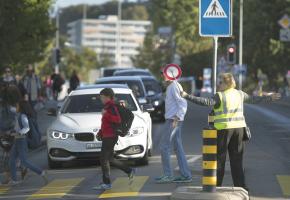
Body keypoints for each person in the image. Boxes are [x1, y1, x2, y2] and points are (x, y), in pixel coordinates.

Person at [181, 73, 280, 190]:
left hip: (223, 130)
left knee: (220, 160)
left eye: (220, 82)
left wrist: (187, 96)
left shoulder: (220, 96)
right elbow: (254, 99)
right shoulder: (240, 94)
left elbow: (205, 102)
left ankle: (216, 186)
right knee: (237, 160)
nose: (219, 84)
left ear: (226, 84)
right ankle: (241, 187)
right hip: (239, 130)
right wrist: (269, 97)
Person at [155, 68, 192, 184]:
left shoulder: (174, 86)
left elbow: (183, 103)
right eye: (161, 74)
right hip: (174, 119)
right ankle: (186, 175)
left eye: (164, 74)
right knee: (177, 147)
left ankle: (168, 175)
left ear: (170, 74)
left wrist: (177, 118)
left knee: (164, 146)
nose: (162, 76)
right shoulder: (171, 86)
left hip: (173, 120)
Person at [95, 88, 136, 190]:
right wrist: (100, 132)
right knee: (110, 159)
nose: (101, 99)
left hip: (110, 136)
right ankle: (129, 171)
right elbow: (106, 123)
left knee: (103, 159)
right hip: (107, 135)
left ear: (108, 97)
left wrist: (106, 114)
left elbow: (117, 120)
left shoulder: (111, 107)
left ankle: (107, 183)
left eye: (102, 97)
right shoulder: (108, 106)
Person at [8, 101, 48, 185]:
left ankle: (41, 172)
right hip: (17, 140)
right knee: (12, 160)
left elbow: (27, 127)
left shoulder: (23, 116)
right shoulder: (18, 115)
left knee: (24, 161)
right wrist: (12, 132)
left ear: (21, 107)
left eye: (17, 105)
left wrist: (19, 133)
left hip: (21, 140)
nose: (16, 106)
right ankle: (14, 180)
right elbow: (11, 109)